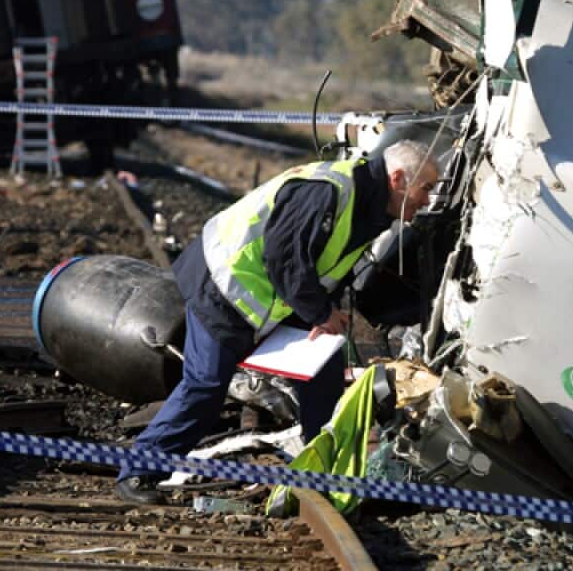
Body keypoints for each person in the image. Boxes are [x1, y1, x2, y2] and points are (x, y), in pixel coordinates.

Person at [115, 139, 440, 503]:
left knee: (323, 373)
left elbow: (323, 265)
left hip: (276, 295)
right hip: (223, 285)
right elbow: (284, 258)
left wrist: (324, 315)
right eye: (425, 188)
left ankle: (325, 471)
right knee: (205, 386)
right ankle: (139, 472)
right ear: (397, 179)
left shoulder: (369, 204)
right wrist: (320, 313)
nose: (427, 199)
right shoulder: (329, 192)